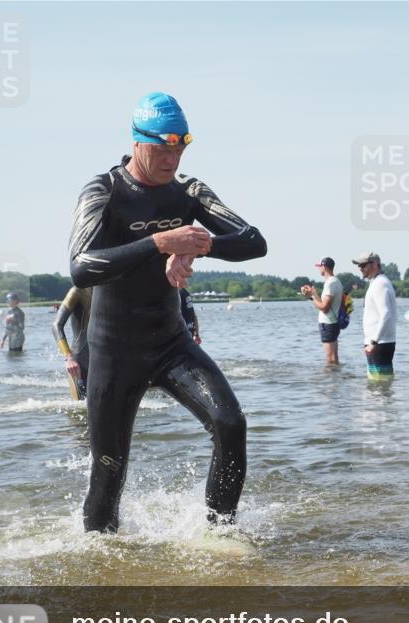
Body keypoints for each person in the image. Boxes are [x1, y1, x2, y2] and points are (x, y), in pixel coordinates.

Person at [68, 91, 267, 533]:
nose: (172, 158)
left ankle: (220, 534)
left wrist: (196, 244)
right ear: (138, 141)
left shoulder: (189, 191)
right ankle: (98, 554)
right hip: (112, 353)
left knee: (230, 424)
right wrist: (160, 242)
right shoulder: (104, 191)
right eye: (163, 148)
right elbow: (81, 267)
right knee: (109, 469)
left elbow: (254, 242)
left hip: (170, 345)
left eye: (180, 148)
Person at [353, 251, 396, 379]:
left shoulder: (380, 284)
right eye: (359, 266)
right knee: (378, 384)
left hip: (379, 343)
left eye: (363, 265)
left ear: (375, 264)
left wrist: (374, 342)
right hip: (378, 343)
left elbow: (386, 314)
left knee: (379, 384)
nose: (360, 268)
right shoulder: (377, 282)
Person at [301, 256, 343, 364]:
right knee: (334, 357)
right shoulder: (335, 281)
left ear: (324, 267)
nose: (318, 269)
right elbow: (325, 304)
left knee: (330, 358)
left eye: (319, 266)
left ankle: (330, 375)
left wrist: (310, 297)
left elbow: (324, 308)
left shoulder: (330, 283)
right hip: (333, 323)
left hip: (328, 324)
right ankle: (336, 374)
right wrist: (314, 294)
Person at [52, 286, 92, 400]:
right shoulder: (78, 291)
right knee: (81, 406)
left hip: (104, 360)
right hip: (79, 360)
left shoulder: (109, 290)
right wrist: (69, 358)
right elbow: (56, 326)